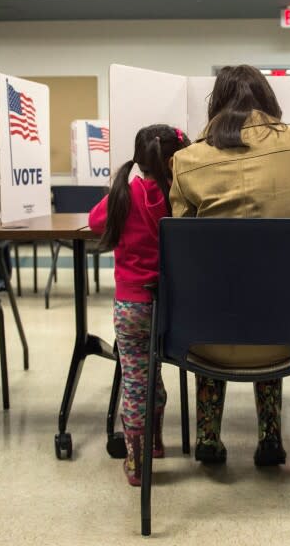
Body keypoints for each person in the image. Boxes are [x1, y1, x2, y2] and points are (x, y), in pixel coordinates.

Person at [170, 64, 290, 466]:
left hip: (204, 337)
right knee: (271, 293)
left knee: (216, 295)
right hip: (289, 334)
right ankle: (271, 437)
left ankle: (208, 437)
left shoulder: (186, 159)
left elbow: (178, 243)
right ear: (268, 99)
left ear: (216, 104)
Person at [88, 124, 191, 486]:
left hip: (130, 306)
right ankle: (157, 443)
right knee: (157, 375)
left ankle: (138, 461)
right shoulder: (178, 197)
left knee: (136, 381)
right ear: (172, 161)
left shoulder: (125, 193)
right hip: (172, 310)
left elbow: (94, 220)